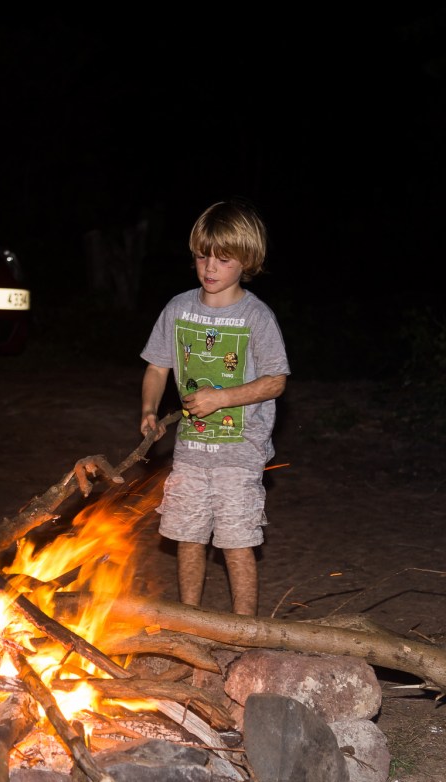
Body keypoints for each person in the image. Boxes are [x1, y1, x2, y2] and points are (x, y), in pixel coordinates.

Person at [139, 199, 290, 615]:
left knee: (236, 543)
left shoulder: (256, 317)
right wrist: (149, 409)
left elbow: (276, 381)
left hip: (240, 452)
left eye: (223, 259)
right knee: (188, 538)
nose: (210, 267)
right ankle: (192, 621)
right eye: (203, 256)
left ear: (247, 261)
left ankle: (244, 631)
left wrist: (221, 397)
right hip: (190, 449)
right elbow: (157, 366)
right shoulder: (178, 309)